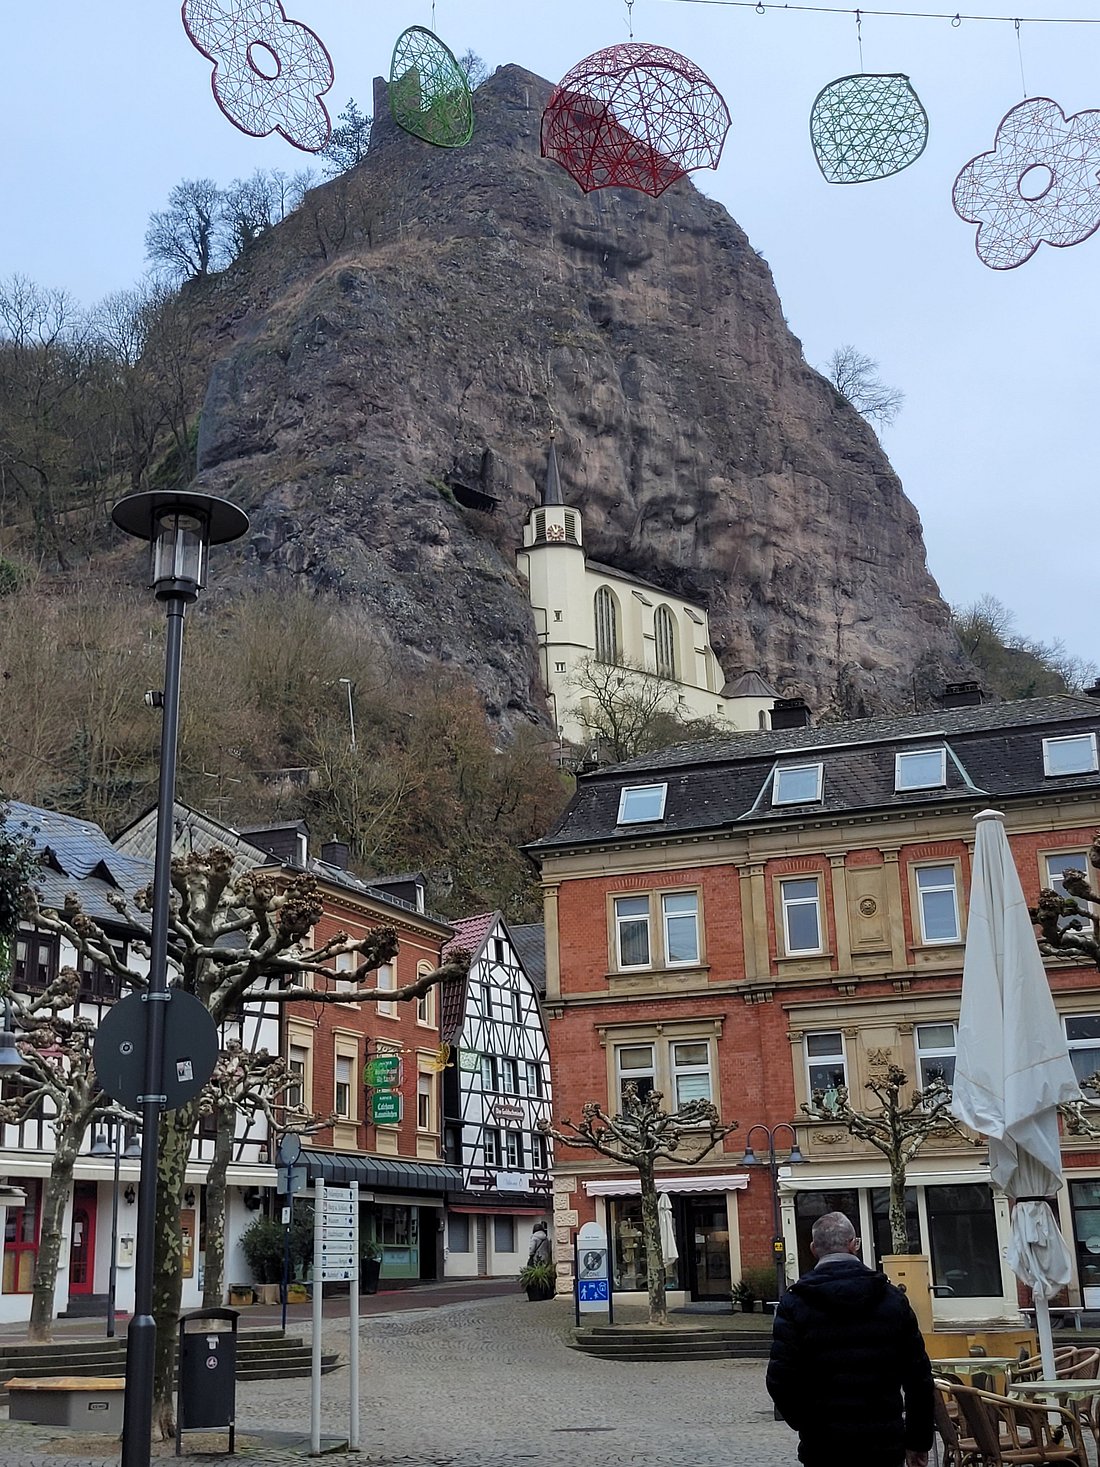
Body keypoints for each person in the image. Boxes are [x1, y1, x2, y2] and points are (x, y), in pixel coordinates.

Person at [766, 1211, 934, 1467]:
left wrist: (807, 1423)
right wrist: (918, 1441)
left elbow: (780, 1379)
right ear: (854, 1244)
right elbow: (919, 1379)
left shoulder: (795, 1303)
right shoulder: (892, 1300)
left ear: (813, 1249)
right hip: (883, 1441)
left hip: (824, 1444)